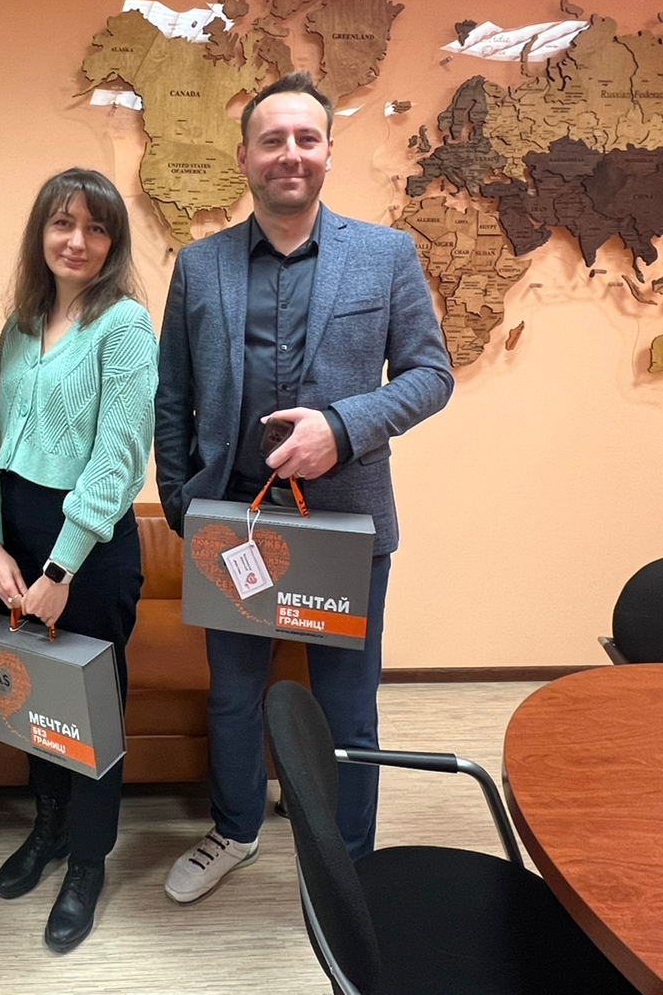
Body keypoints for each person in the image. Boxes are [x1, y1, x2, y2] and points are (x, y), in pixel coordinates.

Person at [154, 71, 454, 902]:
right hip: (233, 524)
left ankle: (347, 863)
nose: (290, 154)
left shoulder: (385, 255)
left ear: (327, 152)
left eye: (306, 139)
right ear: (244, 158)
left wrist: (343, 428)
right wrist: (180, 503)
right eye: (272, 140)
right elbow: (173, 395)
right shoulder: (200, 265)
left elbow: (431, 375)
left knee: (347, 708)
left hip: (345, 523)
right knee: (233, 698)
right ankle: (235, 830)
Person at [0, 168, 157, 954]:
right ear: (40, 233)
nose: (76, 240)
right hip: (13, 544)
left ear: (113, 242)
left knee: (90, 710)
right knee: (33, 698)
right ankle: (47, 827)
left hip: (88, 551)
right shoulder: (18, 326)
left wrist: (59, 571)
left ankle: (87, 860)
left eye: (95, 227)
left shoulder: (125, 325)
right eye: (61, 223)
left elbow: (118, 458)